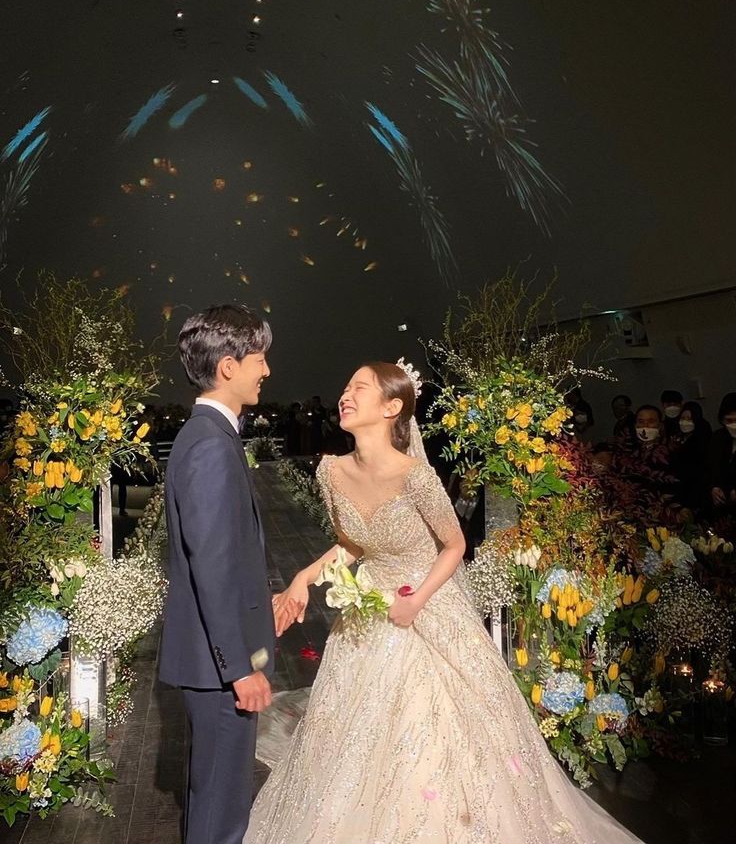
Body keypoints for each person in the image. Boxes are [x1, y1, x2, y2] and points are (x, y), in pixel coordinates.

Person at [245, 360, 643, 843]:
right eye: (346, 386)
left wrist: (416, 600)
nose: (345, 395)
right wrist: (301, 579)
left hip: (425, 603)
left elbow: (454, 546)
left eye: (359, 389)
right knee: (355, 734)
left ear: (393, 408)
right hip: (369, 609)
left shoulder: (415, 476)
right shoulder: (332, 470)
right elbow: (351, 544)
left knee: (438, 728)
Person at [158, 305, 299, 844]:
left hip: (215, 667)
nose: (266, 371)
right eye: (259, 359)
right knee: (221, 815)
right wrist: (240, 669)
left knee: (215, 802)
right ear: (228, 368)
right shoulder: (212, 447)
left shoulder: (209, 437)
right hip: (221, 674)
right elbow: (211, 569)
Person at [670, 401, 711, 512]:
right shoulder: (677, 438)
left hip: (695, 489)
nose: (685, 422)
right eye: (683, 418)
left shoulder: (701, 440)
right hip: (678, 486)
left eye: (689, 419)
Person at [708, 392, 736, 515]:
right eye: (729, 420)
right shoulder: (718, 438)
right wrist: (713, 487)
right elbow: (710, 466)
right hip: (722, 504)